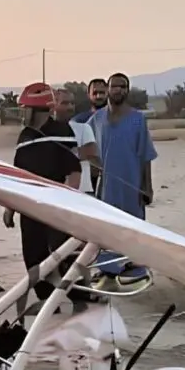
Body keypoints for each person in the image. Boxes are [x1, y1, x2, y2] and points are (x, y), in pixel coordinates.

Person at [11, 83, 82, 298]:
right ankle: (46, 299)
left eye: (26, 109)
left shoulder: (61, 131)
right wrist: (10, 208)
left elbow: (74, 171)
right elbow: (17, 174)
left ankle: (78, 296)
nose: (22, 114)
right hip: (29, 205)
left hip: (54, 204)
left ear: (39, 110)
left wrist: (66, 202)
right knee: (33, 254)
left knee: (62, 254)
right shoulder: (25, 136)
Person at [88, 72, 157, 281]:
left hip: (132, 183)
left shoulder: (137, 119)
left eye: (123, 87)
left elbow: (145, 155)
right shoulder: (96, 120)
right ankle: (108, 268)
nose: (119, 90)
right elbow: (88, 154)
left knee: (133, 226)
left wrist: (147, 187)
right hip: (106, 186)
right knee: (107, 227)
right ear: (108, 89)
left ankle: (134, 266)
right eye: (115, 86)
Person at [54, 85, 100, 194]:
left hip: (82, 191)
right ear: (53, 105)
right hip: (55, 192)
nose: (70, 107)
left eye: (72, 103)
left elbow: (91, 154)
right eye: (65, 103)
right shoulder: (44, 131)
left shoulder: (84, 128)